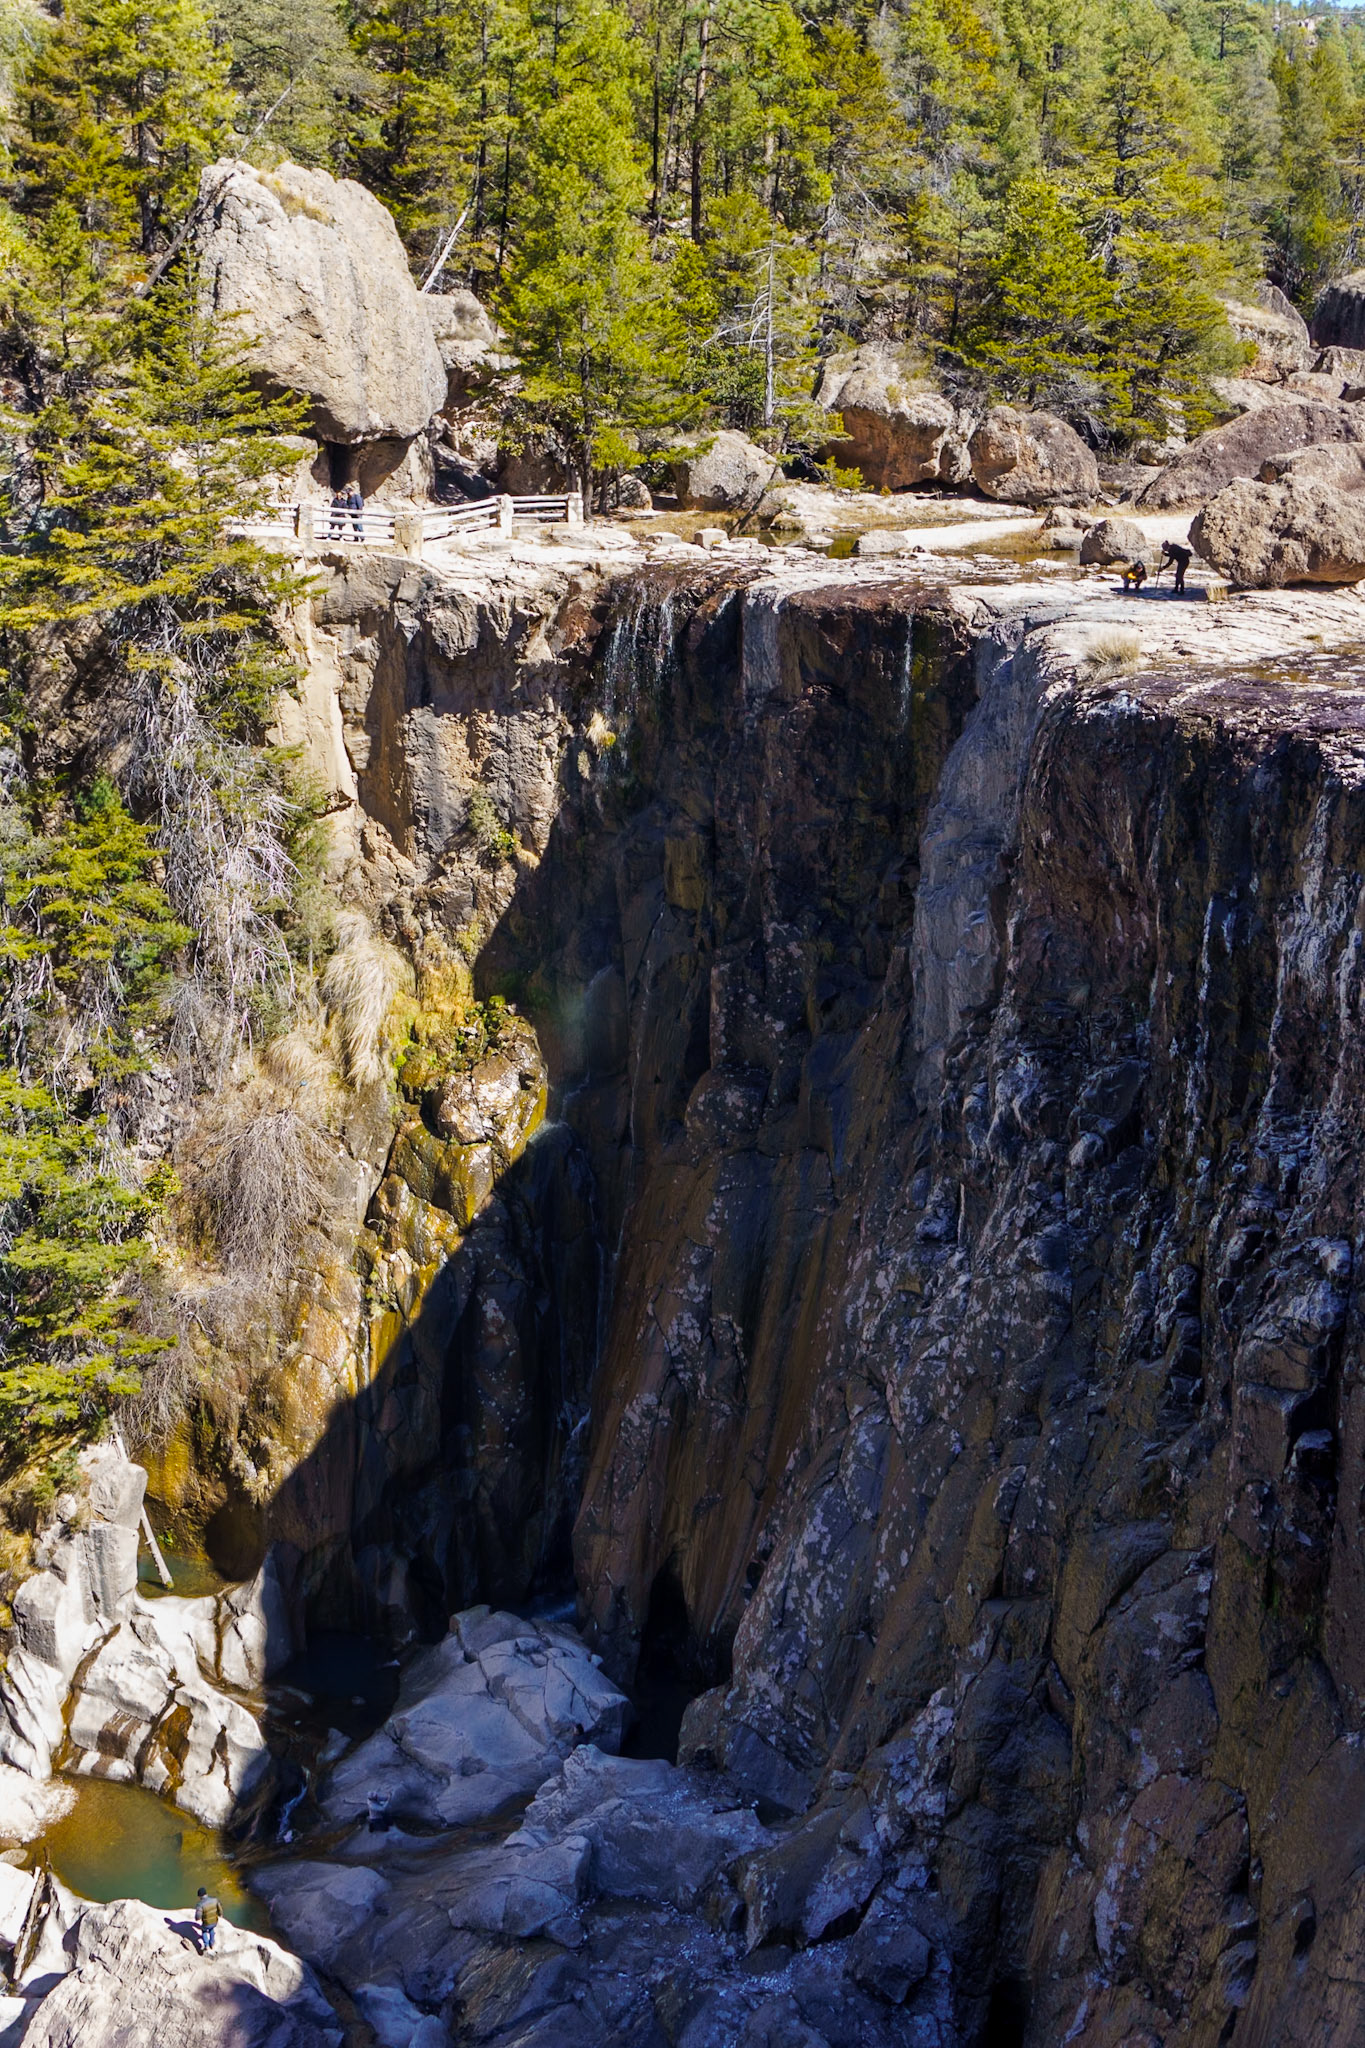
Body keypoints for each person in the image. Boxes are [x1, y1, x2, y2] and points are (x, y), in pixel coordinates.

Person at [195, 1885, 222, 1955]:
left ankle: (206, 1945)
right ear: (206, 1894)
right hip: (215, 1921)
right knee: (211, 1929)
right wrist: (220, 1914)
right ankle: (212, 1943)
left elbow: (198, 1916)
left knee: (204, 1931)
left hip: (206, 1923)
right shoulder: (215, 1900)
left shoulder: (200, 1904)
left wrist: (197, 1918)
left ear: (200, 1896)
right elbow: (220, 1909)